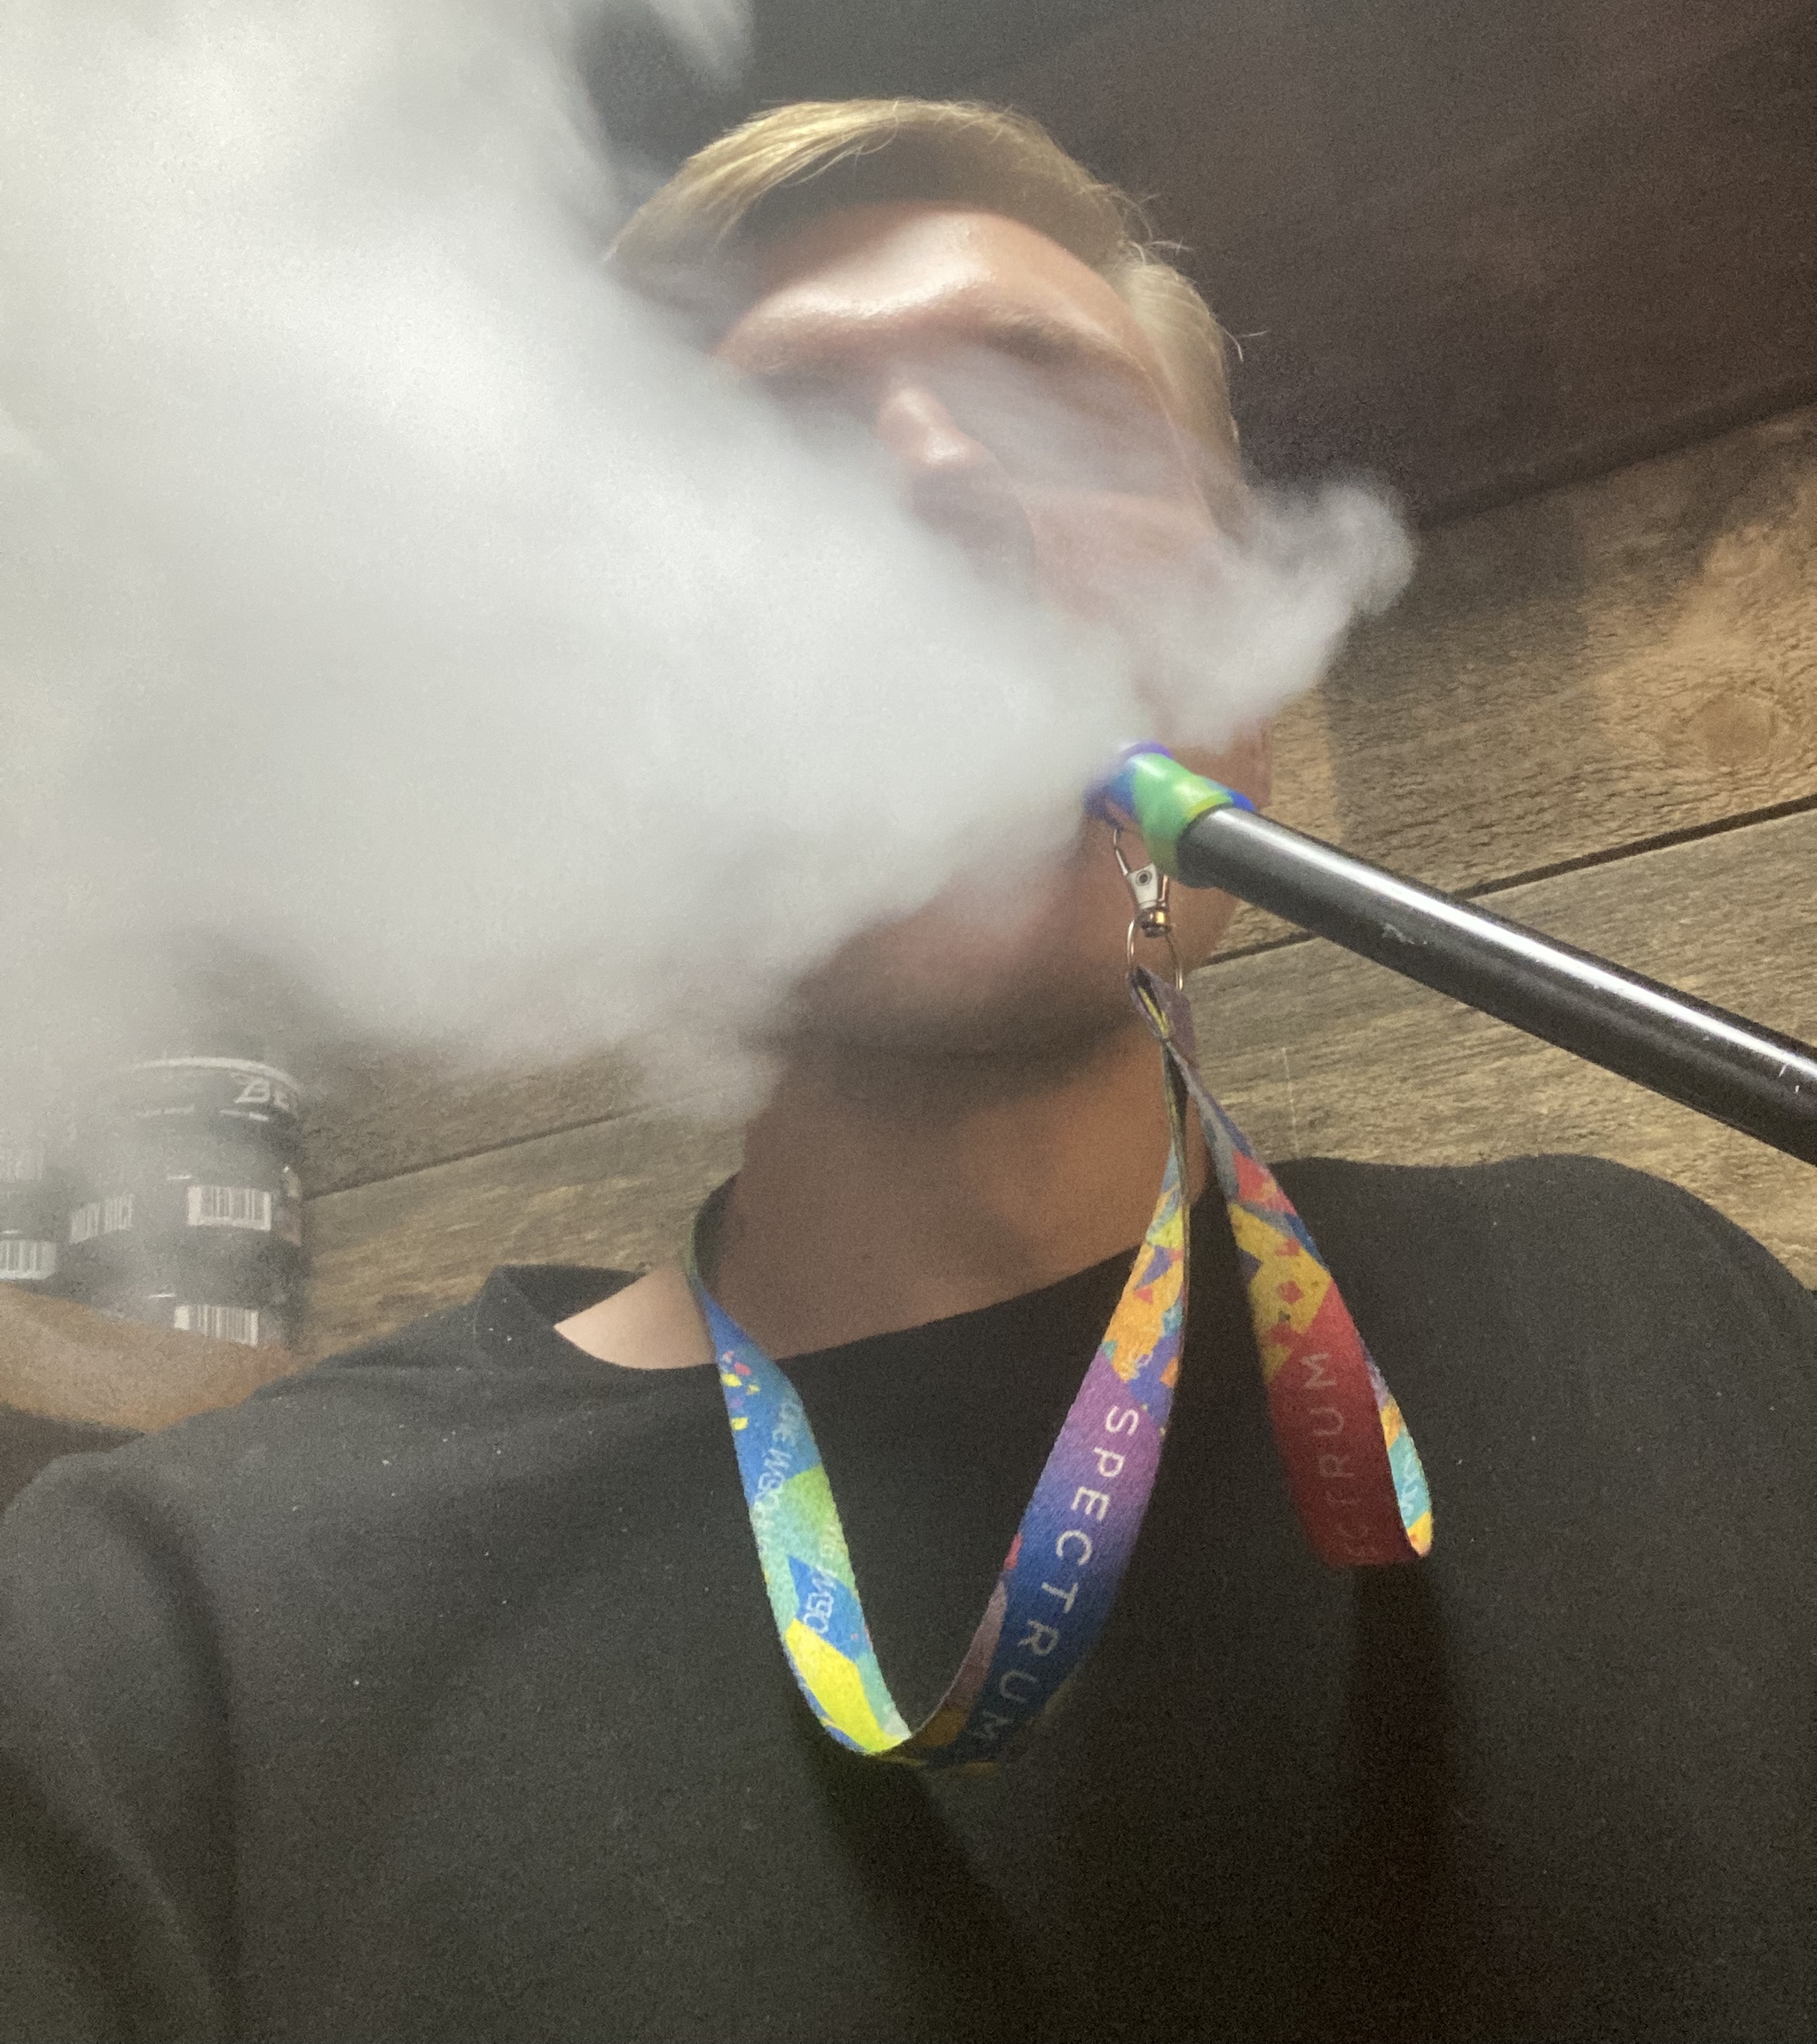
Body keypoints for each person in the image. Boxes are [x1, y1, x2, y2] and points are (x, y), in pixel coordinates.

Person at [4, 99, 1812, 2044]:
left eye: (1061, 410)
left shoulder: (1663, 1313)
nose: (938, 476)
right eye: (782, 443)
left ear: (1242, 688)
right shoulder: (167, 1631)